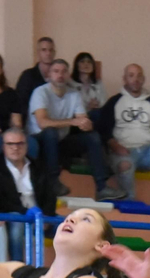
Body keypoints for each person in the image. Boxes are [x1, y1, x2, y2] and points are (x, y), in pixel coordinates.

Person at [97, 64, 150, 206]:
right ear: (125, 79)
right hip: (123, 151)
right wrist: (114, 145)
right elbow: (104, 130)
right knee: (125, 164)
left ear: (143, 79)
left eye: (139, 76)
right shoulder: (114, 101)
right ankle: (129, 200)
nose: (135, 79)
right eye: (131, 75)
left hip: (148, 151)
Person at [30, 59, 116, 201]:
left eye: (64, 71)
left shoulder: (74, 94)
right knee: (50, 132)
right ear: (49, 75)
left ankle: (102, 187)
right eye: (56, 71)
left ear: (68, 75)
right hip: (40, 141)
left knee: (92, 136)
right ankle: (53, 182)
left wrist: (86, 124)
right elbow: (42, 123)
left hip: (61, 142)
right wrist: (73, 121)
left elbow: (83, 119)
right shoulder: (40, 92)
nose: (60, 75)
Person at [0, 128, 60, 263]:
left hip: (41, 215)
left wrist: (46, 216)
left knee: (68, 227)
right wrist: (28, 214)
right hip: (15, 215)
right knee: (18, 225)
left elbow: (51, 194)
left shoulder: (38, 165)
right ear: (3, 146)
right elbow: (2, 201)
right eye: (10, 144)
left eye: (20, 143)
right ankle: (18, 268)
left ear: (26, 145)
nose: (15, 148)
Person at [14, 37, 57, 106]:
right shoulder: (27, 76)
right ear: (38, 53)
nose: (48, 53)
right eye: (44, 50)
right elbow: (20, 103)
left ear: (54, 53)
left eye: (51, 50)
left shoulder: (59, 75)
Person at [69, 52, 107, 122]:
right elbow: (71, 107)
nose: (86, 64)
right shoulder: (70, 84)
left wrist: (96, 105)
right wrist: (88, 108)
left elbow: (104, 102)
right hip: (77, 118)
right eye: (82, 61)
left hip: (96, 115)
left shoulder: (98, 83)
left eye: (89, 62)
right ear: (76, 65)